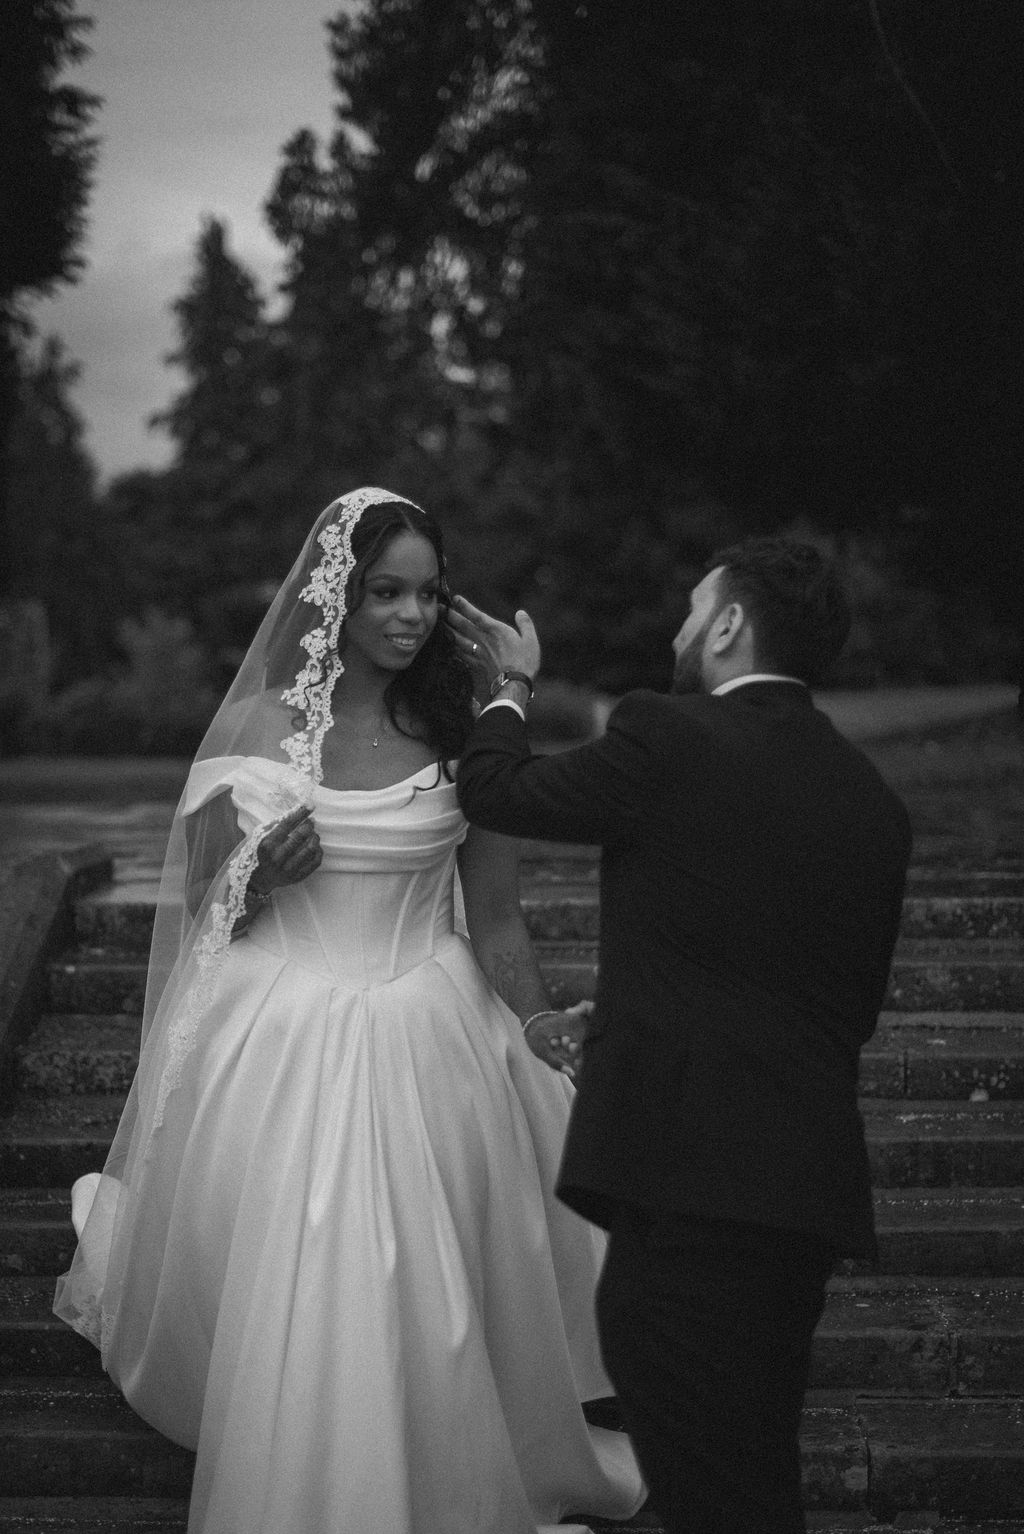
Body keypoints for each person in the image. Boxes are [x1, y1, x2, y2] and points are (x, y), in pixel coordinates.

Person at [53, 488, 644, 1534]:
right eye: (386, 592)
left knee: (425, 1270)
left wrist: (543, 1026)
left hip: (432, 1021)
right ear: (339, 595)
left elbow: (498, 922)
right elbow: (202, 914)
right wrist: (256, 878)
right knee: (316, 1248)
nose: (411, 615)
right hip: (282, 1025)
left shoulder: (463, 736)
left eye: (426, 592)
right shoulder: (256, 730)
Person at [449, 537, 913, 1534]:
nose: (678, 627)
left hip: (683, 1183)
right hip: (801, 1197)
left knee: (704, 1483)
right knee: (752, 1469)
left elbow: (496, 791)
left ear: (730, 624)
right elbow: (834, 1003)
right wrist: (625, 1018)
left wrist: (508, 685)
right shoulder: (871, 800)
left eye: (693, 607)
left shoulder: (668, 734)